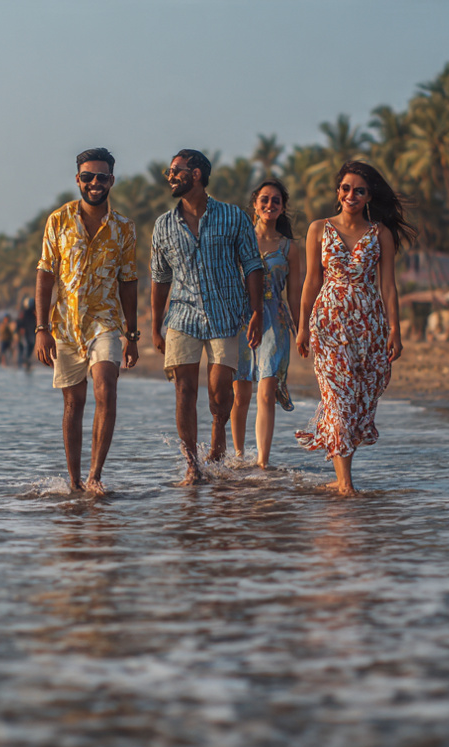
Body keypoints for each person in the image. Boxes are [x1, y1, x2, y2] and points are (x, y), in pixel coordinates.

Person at [295, 161, 413, 495]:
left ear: (368, 196)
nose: (351, 195)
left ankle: (341, 474)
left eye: (358, 190)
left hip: (368, 327)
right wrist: (303, 327)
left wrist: (395, 331)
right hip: (329, 324)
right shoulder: (319, 229)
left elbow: (388, 286)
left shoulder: (381, 234)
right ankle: (346, 483)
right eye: (346, 189)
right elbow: (310, 282)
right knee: (337, 399)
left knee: (360, 400)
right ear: (338, 192)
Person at [150, 149, 264, 485]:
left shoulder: (232, 217)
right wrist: (155, 325)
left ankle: (218, 430)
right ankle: (191, 463)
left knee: (219, 391)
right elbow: (160, 279)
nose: (170, 176)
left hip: (225, 314)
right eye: (169, 171)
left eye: (176, 170)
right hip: (182, 317)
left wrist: (256, 311)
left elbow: (253, 265)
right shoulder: (163, 226)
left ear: (196, 174)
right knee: (184, 390)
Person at [34, 147, 140, 494]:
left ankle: (95, 476)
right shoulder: (59, 220)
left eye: (102, 177)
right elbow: (45, 276)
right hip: (65, 325)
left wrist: (132, 334)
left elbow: (128, 281)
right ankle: (75, 480)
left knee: (106, 389)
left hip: (105, 322)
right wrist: (41, 330)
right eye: (87, 177)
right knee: (73, 403)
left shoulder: (124, 227)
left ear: (112, 180)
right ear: (77, 179)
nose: (95, 183)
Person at [229, 179, 304, 469]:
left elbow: (295, 295)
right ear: (255, 204)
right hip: (240, 320)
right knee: (241, 392)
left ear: (282, 207)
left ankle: (262, 463)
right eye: (265, 199)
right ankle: (237, 457)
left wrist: (302, 331)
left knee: (266, 391)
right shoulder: (239, 239)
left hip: (276, 320)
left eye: (276, 200)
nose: (270, 205)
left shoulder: (289, 248)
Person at [15, 296, 37, 370]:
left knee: (31, 345)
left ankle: (26, 360)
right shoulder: (24, 313)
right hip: (25, 332)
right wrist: (20, 329)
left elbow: (35, 322)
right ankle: (23, 361)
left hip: (31, 331)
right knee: (25, 346)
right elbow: (19, 322)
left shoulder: (33, 313)